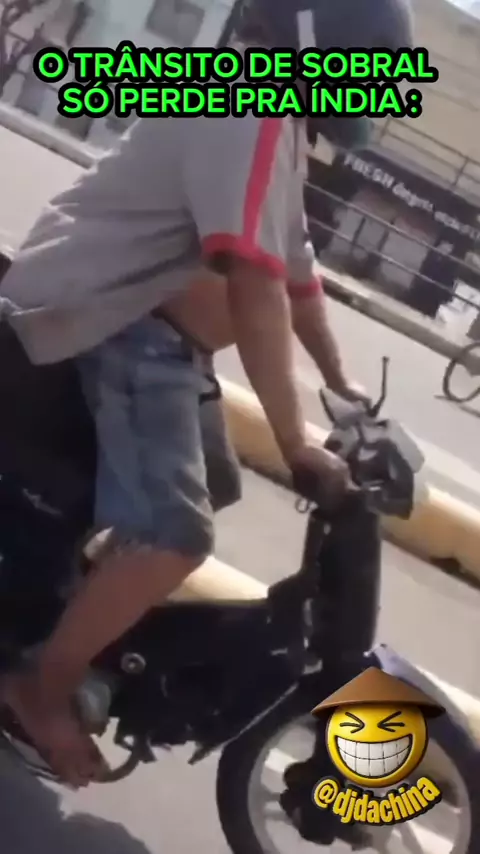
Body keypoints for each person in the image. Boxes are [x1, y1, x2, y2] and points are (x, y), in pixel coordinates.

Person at [0, 0, 413, 786]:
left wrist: (343, 384)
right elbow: (254, 284)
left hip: (155, 340)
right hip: (114, 326)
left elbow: (297, 277)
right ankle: (40, 688)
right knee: (175, 533)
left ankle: (70, 606)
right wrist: (294, 441)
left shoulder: (274, 123)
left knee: (215, 480)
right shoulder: (246, 106)